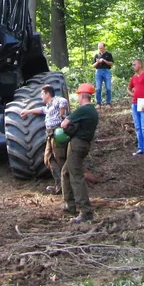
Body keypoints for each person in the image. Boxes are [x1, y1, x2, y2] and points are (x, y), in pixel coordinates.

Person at [60, 83, 100, 223]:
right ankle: (69, 205)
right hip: (83, 144)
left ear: (83, 96)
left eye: (78, 95)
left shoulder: (84, 110)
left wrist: (67, 124)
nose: (78, 98)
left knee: (76, 176)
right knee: (65, 172)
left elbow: (64, 124)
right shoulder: (92, 110)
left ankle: (86, 211)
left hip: (77, 145)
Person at [20, 85, 69, 193]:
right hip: (49, 135)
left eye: (42, 94)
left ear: (47, 94)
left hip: (57, 133)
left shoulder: (57, 101)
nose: (41, 96)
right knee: (48, 159)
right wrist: (28, 111)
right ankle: (59, 184)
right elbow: (41, 110)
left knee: (59, 158)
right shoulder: (47, 106)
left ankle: (66, 187)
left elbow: (64, 101)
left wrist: (61, 115)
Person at [128, 59, 144, 157]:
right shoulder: (134, 77)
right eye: (132, 64)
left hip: (143, 103)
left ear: (140, 65)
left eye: (134, 64)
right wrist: (133, 94)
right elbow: (128, 88)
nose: (133, 66)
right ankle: (141, 148)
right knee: (138, 127)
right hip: (135, 103)